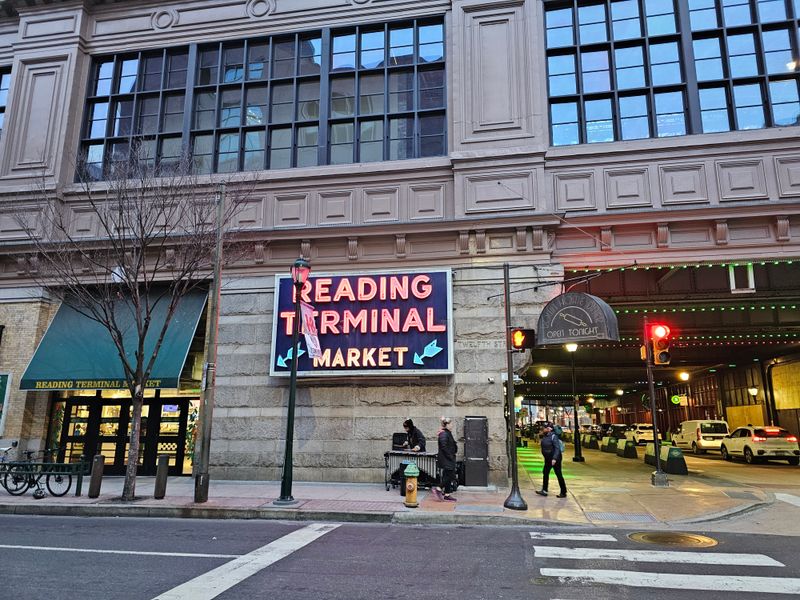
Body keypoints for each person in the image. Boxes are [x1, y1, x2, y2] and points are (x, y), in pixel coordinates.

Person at [535, 422, 567, 498]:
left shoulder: (553, 436)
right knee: (545, 473)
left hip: (555, 459)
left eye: (545, 428)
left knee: (558, 474)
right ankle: (544, 490)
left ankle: (563, 491)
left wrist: (554, 458)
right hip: (548, 459)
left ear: (549, 429)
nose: (543, 429)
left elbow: (557, 448)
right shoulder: (545, 436)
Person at [431, 417, 458, 502]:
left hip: (448, 458)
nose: (452, 425)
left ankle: (447, 494)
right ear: (446, 425)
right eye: (451, 424)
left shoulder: (447, 433)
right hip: (446, 458)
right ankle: (438, 487)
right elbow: (444, 446)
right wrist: (450, 456)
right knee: (450, 475)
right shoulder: (443, 434)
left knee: (448, 475)